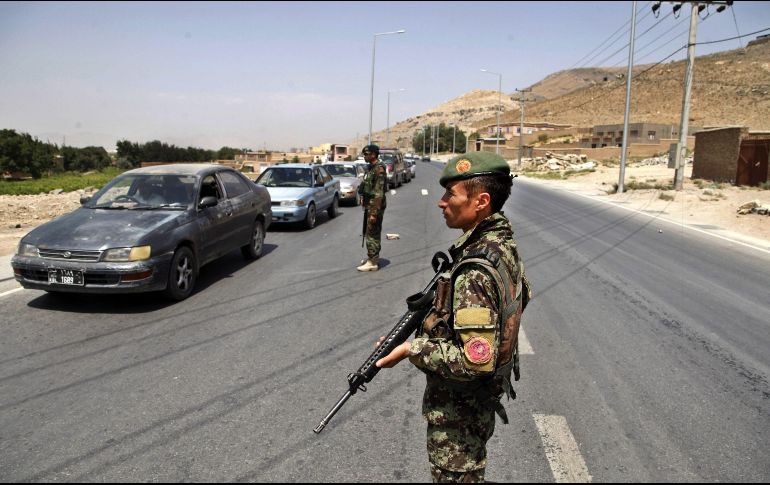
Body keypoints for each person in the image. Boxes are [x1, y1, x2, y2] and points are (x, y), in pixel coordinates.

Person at [375, 151, 531, 483]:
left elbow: (476, 360)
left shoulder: (475, 269)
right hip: (474, 408)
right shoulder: (501, 243)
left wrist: (411, 350)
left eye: (452, 194)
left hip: (460, 417)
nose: (441, 202)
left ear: (481, 201)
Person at [356, 144, 388, 272]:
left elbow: (378, 193)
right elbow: (367, 186)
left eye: (366, 154)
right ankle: (372, 257)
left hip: (375, 206)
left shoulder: (379, 169)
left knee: (372, 232)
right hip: (370, 204)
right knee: (368, 231)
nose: (364, 156)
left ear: (373, 154)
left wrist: (374, 212)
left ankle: (373, 262)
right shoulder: (371, 168)